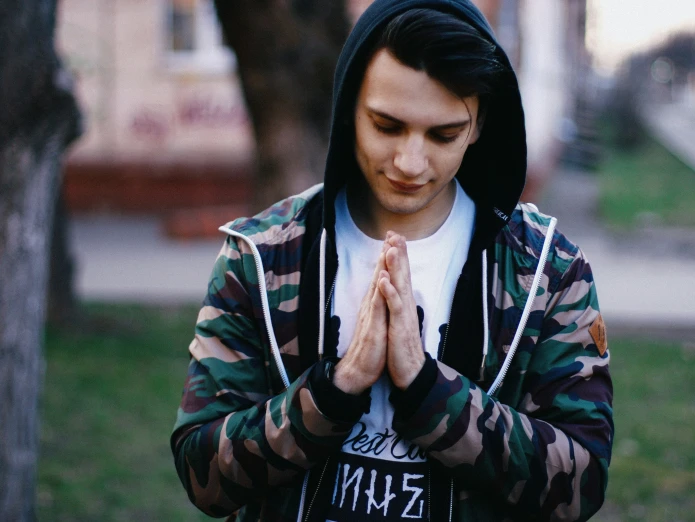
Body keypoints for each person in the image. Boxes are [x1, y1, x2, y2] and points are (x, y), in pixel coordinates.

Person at [171, 1, 613, 521]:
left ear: (478, 125)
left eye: (443, 134)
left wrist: (429, 391)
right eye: (386, 125)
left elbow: (581, 482)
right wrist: (336, 390)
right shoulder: (260, 255)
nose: (410, 162)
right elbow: (203, 473)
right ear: (348, 107)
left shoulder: (547, 269)